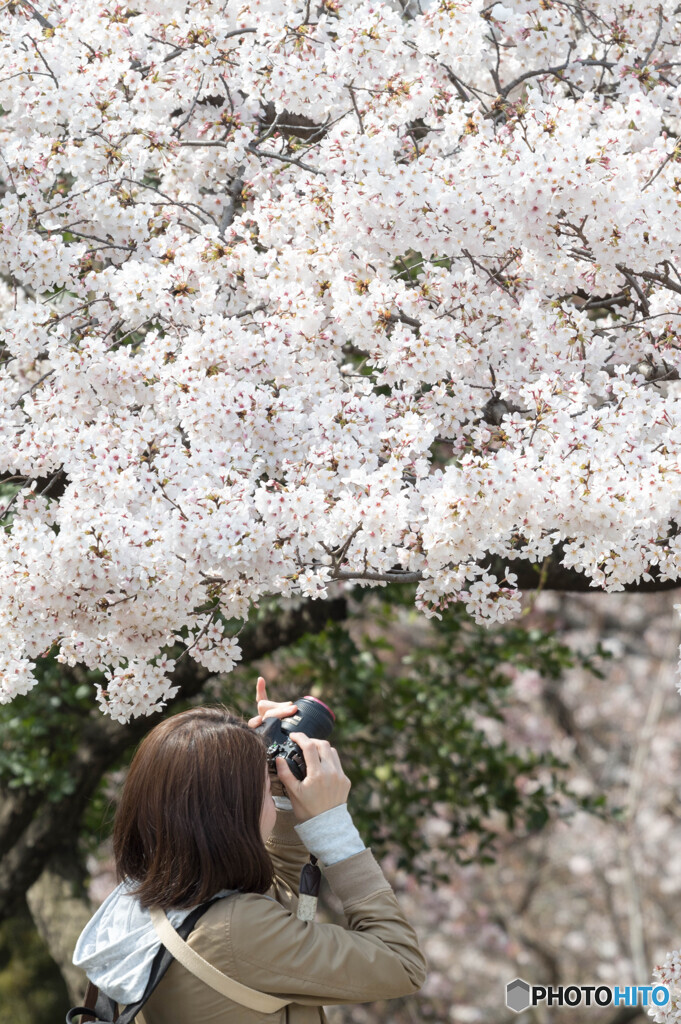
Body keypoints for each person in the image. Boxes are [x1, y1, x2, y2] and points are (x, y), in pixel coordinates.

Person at [72, 677, 427, 1023]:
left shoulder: (155, 898)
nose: (270, 794)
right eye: (262, 789)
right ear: (229, 815)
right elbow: (401, 962)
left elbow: (279, 903)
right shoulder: (236, 929)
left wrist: (279, 791)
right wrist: (332, 828)